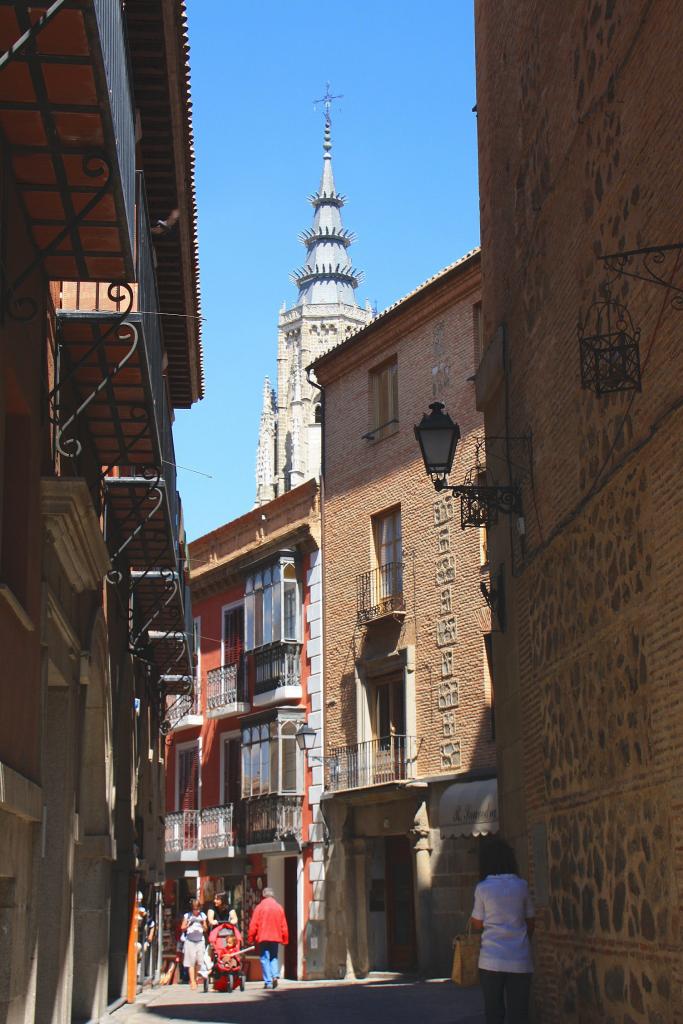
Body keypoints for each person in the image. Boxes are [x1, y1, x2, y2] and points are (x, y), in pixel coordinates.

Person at [470, 836, 535, 1024]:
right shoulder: (521, 886)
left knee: (494, 1014)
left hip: (491, 959)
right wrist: (521, 938)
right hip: (520, 958)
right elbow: (531, 920)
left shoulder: (482, 888)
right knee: (519, 1015)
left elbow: (477, 923)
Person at [247, 887, 289, 990]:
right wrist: (285, 938)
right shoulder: (279, 907)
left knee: (264, 958)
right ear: (273, 895)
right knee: (274, 957)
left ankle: (268, 981)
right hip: (275, 937)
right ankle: (275, 975)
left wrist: (250, 938)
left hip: (263, 937)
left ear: (263, 895)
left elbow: (253, 924)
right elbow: (284, 925)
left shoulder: (259, 907)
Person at [181, 899, 208, 990]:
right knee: (191, 962)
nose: (197, 911)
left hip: (200, 940)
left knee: (199, 961)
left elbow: (205, 929)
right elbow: (182, 928)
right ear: (192, 909)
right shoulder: (187, 916)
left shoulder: (202, 915)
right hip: (190, 941)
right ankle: (192, 981)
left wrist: (202, 923)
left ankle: (196, 978)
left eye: (198, 909)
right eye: (195, 909)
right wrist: (189, 924)